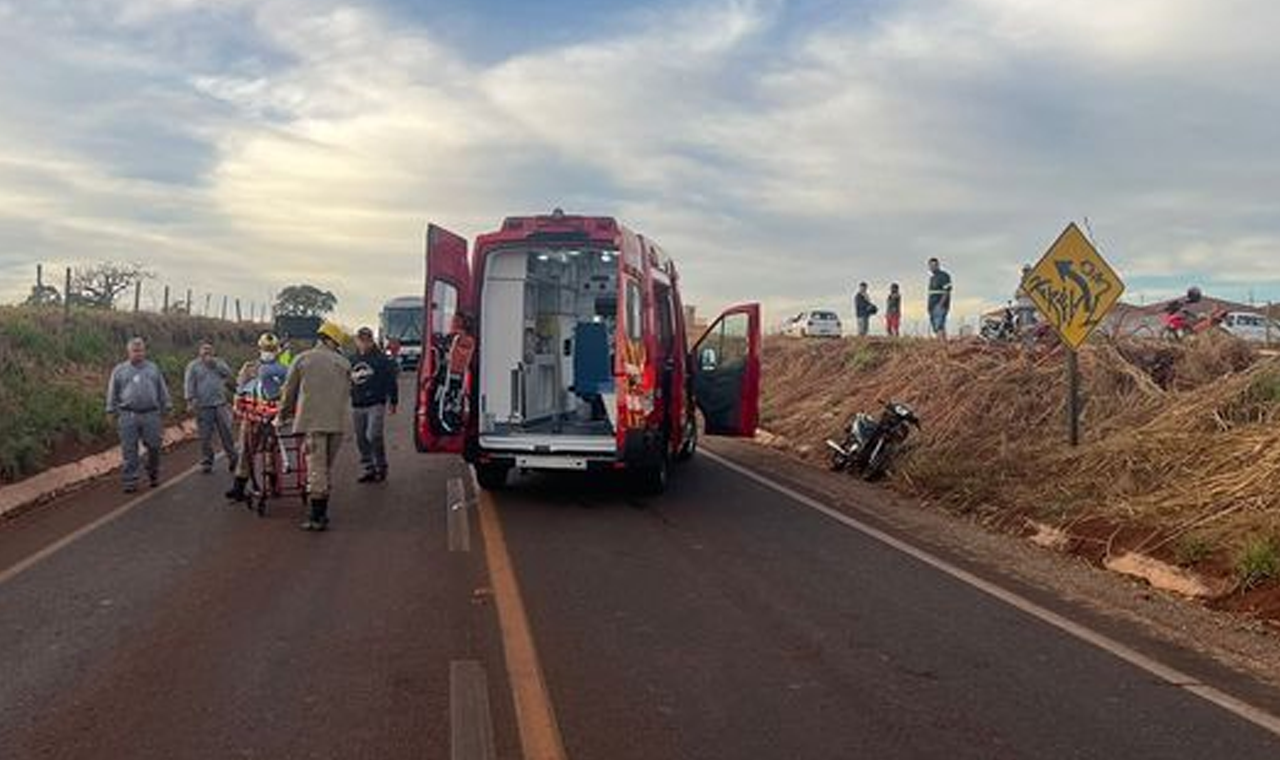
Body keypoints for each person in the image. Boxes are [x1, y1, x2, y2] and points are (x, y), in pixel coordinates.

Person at [279, 322, 353, 531]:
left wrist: (282, 415)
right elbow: (348, 392)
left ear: (321, 338)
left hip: (313, 422)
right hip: (337, 423)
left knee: (316, 469)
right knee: (325, 467)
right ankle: (321, 510)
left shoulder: (302, 359)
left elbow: (289, 392)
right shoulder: (344, 363)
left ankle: (316, 517)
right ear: (332, 341)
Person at [225, 333, 291, 502]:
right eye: (265, 349)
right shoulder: (249, 367)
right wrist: (240, 406)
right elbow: (240, 389)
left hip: (272, 417)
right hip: (252, 416)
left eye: (271, 349)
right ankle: (239, 487)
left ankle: (273, 484)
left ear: (277, 351)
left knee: (271, 450)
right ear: (259, 349)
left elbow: (287, 392)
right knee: (246, 450)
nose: (268, 352)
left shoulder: (284, 369)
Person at [105, 337, 172, 493]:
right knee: (129, 450)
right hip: (128, 415)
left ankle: (153, 473)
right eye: (134, 351)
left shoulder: (153, 368)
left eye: (140, 350)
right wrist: (110, 410)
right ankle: (130, 481)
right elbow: (112, 391)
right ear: (128, 352)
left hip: (151, 415)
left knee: (154, 446)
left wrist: (167, 406)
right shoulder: (119, 370)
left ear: (144, 351)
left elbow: (161, 388)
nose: (138, 353)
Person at [349, 326, 399, 483]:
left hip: (376, 403)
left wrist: (393, 400)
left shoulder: (382, 360)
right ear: (357, 341)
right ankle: (369, 468)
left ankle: (381, 466)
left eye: (367, 340)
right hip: (357, 404)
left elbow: (391, 380)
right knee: (361, 438)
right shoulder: (352, 360)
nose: (364, 344)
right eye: (361, 340)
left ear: (372, 341)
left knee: (373, 435)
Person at [184, 342, 237, 474]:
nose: (206, 352)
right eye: (204, 350)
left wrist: (215, 364)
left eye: (209, 350)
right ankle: (207, 461)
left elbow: (228, 374)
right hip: (203, 406)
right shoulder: (193, 366)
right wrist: (190, 400)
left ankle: (233, 459)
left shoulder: (219, 363)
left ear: (213, 351)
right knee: (205, 437)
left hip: (220, 405)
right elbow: (189, 383)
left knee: (227, 434)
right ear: (199, 351)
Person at [927, 258, 953, 340]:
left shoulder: (944, 276)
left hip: (940, 305)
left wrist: (941, 304)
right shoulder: (932, 278)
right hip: (932, 305)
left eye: (934, 265)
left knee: (939, 326)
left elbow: (947, 290)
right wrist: (929, 306)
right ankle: (942, 345)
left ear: (938, 265)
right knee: (937, 327)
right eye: (931, 266)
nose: (932, 267)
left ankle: (941, 345)